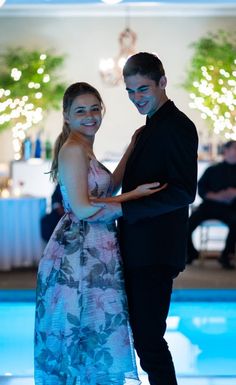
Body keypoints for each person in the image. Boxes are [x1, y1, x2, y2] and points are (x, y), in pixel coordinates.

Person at [34, 81, 166, 385]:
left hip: (96, 251)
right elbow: (82, 209)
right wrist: (133, 197)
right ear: (66, 116)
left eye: (95, 108)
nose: (90, 115)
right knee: (81, 333)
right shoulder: (72, 150)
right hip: (77, 255)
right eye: (81, 110)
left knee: (95, 332)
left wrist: (131, 149)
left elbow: (107, 188)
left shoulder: (83, 146)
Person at [88, 52, 198, 385]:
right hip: (140, 249)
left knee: (150, 342)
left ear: (163, 82)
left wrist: (123, 208)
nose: (137, 98)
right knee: (144, 340)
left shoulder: (177, 126)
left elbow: (183, 192)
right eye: (131, 91)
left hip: (156, 252)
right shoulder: (150, 127)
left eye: (143, 89)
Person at [187, 140, 236, 269]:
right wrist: (218, 196)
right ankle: (191, 253)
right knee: (186, 224)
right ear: (226, 151)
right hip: (209, 206)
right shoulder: (212, 170)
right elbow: (201, 190)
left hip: (231, 208)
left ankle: (226, 256)